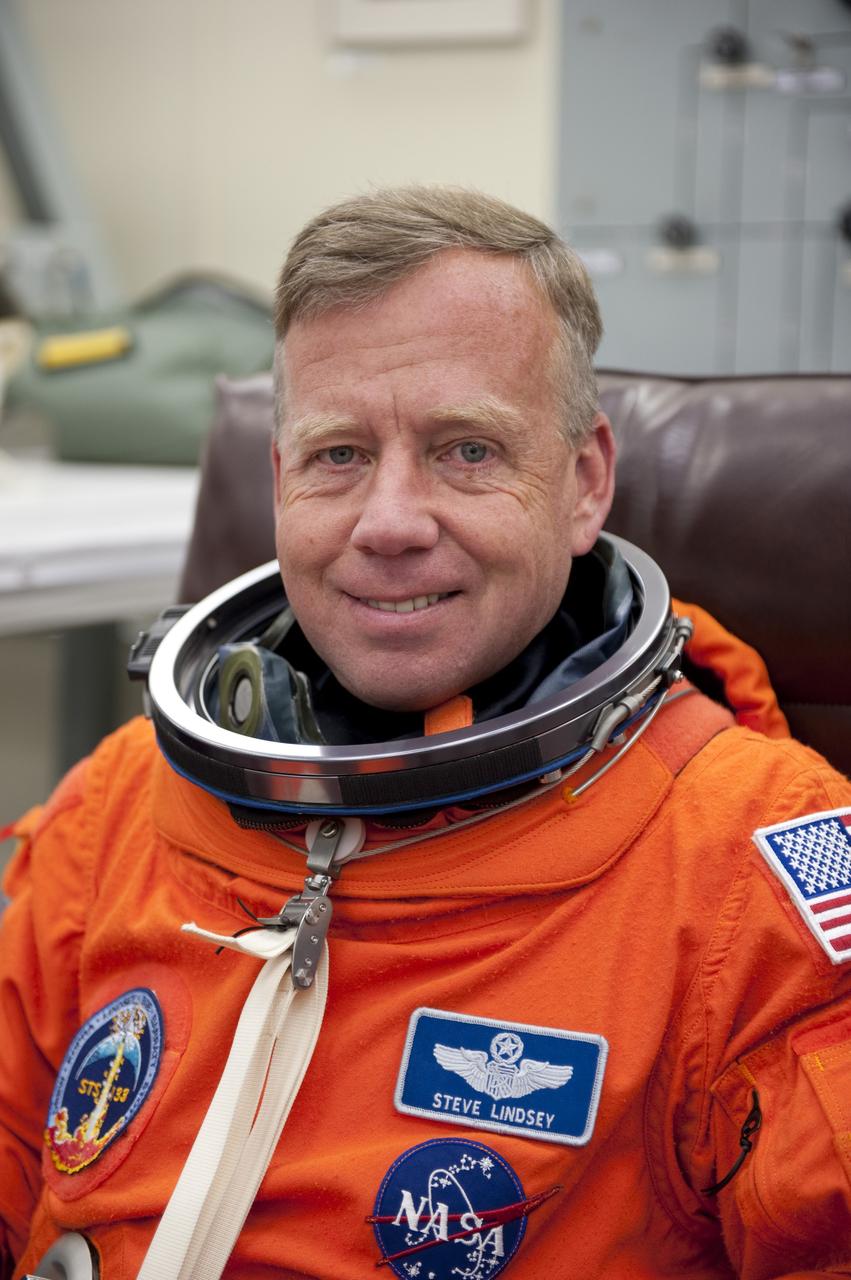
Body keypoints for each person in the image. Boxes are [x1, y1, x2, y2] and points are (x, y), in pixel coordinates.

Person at [1, 186, 849, 1280]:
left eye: (465, 450)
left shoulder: (756, 882)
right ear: (277, 480)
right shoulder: (119, 803)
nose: (388, 523)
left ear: (585, 481)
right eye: (338, 455)